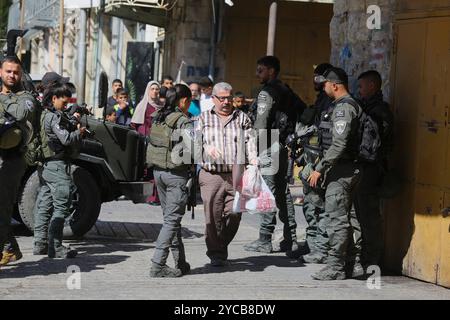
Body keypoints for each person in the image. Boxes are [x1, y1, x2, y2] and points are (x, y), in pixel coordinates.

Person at [244, 56, 301, 257]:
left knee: (266, 191)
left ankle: (265, 239)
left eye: (261, 70)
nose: (257, 74)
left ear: (271, 71)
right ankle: (290, 237)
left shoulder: (267, 92)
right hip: (281, 145)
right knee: (282, 191)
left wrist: (252, 149)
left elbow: (260, 124)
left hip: (268, 145)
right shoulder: (286, 90)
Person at [196, 82, 258, 267]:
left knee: (235, 212)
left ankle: (220, 243)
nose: (225, 102)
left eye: (228, 98)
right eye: (221, 98)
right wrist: (207, 148)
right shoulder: (204, 118)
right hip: (211, 175)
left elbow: (251, 141)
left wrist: (253, 161)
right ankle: (216, 253)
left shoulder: (242, 118)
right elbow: (194, 143)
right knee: (213, 216)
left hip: (236, 174)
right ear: (213, 98)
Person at [308, 67, 362, 280]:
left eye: (325, 84)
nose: (323, 87)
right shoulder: (343, 106)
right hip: (346, 169)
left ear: (335, 85)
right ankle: (349, 264)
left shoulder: (342, 109)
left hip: (341, 172)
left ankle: (335, 268)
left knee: (336, 220)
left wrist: (319, 169)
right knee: (346, 219)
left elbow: (338, 144)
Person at [288, 63, 334, 264]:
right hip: (310, 157)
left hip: (319, 161)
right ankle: (312, 242)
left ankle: (319, 248)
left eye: (318, 78)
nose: (315, 81)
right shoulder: (322, 100)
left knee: (317, 206)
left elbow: (323, 134)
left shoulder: (330, 103)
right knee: (310, 205)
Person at [35, 82, 87, 259]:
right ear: (54, 98)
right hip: (56, 165)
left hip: (45, 164)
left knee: (44, 203)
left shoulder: (44, 114)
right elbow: (65, 139)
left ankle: (40, 243)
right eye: (63, 103)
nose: (65, 106)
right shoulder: (53, 118)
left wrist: (71, 120)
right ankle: (55, 246)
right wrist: (79, 133)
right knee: (62, 205)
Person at [147, 84, 194, 277]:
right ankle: (158, 265)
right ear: (183, 101)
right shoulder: (183, 121)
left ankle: (180, 262)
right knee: (171, 221)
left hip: (159, 173)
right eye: (189, 102)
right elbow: (195, 150)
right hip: (176, 176)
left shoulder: (159, 116)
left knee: (171, 220)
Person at [355, 70, 394, 268]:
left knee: (369, 217)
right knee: (361, 216)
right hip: (363, 168)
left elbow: (373, 146)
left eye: (361, 86)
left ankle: (371, 261)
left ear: (372, 86)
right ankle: (364, 257)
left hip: (370, 169)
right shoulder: (366, 108)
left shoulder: (378, 111)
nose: (359, 91)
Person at [0, 56, 36, 266]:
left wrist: (3, 99)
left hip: (13, 159)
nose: (12, 75)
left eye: (15, 72)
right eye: (8, 71)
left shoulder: (26, 97)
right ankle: (10, 247)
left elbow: (22, 112)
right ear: (1, 72)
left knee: (3, 205)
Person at [131, 80, 163, 205]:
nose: (155, 91)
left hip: (160, 141)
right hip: (146, 142)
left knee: (158, 169)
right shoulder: (142, 106)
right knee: (148, 169)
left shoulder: (161, 106)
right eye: (152, 89)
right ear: (148, 90)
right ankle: (150, 197)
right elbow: (135, 125)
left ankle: (157, 197)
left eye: (157, 89)